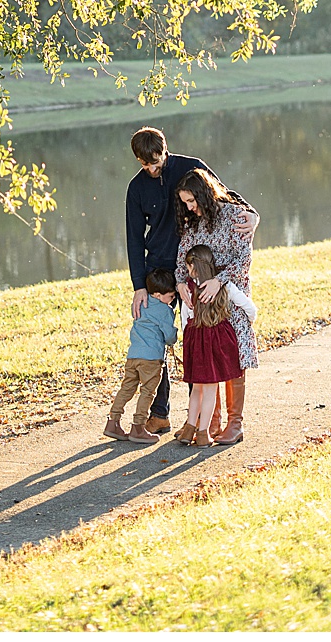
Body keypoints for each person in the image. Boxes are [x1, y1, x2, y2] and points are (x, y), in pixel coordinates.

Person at [123, 126, 212, 436]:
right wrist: (139, 286)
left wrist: (246, 212)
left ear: (165, 150)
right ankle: (159, 414)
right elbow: (134, 239)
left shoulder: (191, 167)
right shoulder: (136, 189)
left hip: (195, 266)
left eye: (155, 161)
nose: (151, 168)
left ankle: (198, 416)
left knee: (195, 339)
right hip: (158, 272)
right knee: (151, 342)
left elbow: (220, 197)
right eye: (144, 163)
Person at [174, 166, 261, 445]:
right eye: (185, 202)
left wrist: (219, 281)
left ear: (204, 195)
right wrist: (179, 284)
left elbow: (243, 259)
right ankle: (210, 420)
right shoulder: (193, 223)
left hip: (229, 295)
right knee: (207, 358)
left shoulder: (235, 216)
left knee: (232, 355)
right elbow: (181, 259)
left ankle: (235, 423)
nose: (189, 207)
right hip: (202, 300)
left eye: (192, 200)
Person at [175, 244, 258, 446]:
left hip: (196, 340)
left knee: (197, 389)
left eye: (188, 267)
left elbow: (185, 318)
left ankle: (189, 429)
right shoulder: (224, 286)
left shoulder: (188, 288)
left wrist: (191, 335)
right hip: (215, 341)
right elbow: (248, 306)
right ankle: (203, 434)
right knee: (211, 389)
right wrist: (250, 320)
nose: (187, 272)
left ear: (194, 267)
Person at [104, 268, 179, 441]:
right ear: (159, 295)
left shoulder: (140, 304)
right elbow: (169, 336)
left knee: (127, 388)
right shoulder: (164, 310)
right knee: (147, 391)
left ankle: (113, 422)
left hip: (133, 356)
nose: (173, 299)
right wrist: (173, 335)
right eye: (171, 296)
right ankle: (138, 427)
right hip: (151, 359)